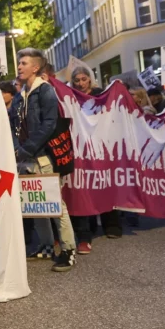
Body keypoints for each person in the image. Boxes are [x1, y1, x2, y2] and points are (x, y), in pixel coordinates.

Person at [9, 48, 76, 271]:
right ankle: (46, 246)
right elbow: (14, 126)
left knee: (56, 204)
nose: (19, 66)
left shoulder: (45, 91)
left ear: (35, 68)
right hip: (25, 158)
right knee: (35, 204)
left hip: (42, 157)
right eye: (19, 63)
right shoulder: (20, 96)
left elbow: (49, 124)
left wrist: (25, 149)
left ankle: (68, 249)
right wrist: (18, 149)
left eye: (24, 63)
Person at [70, 65, 122, 246]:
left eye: (84, 79)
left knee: (106, 183)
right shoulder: (72, 96)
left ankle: (112, 224)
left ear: (90, 80)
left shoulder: (101, 94)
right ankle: (90, 223)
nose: (81, 83)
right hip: (83, 146)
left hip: (102, 143)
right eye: (77, 80)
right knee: (88, 186)